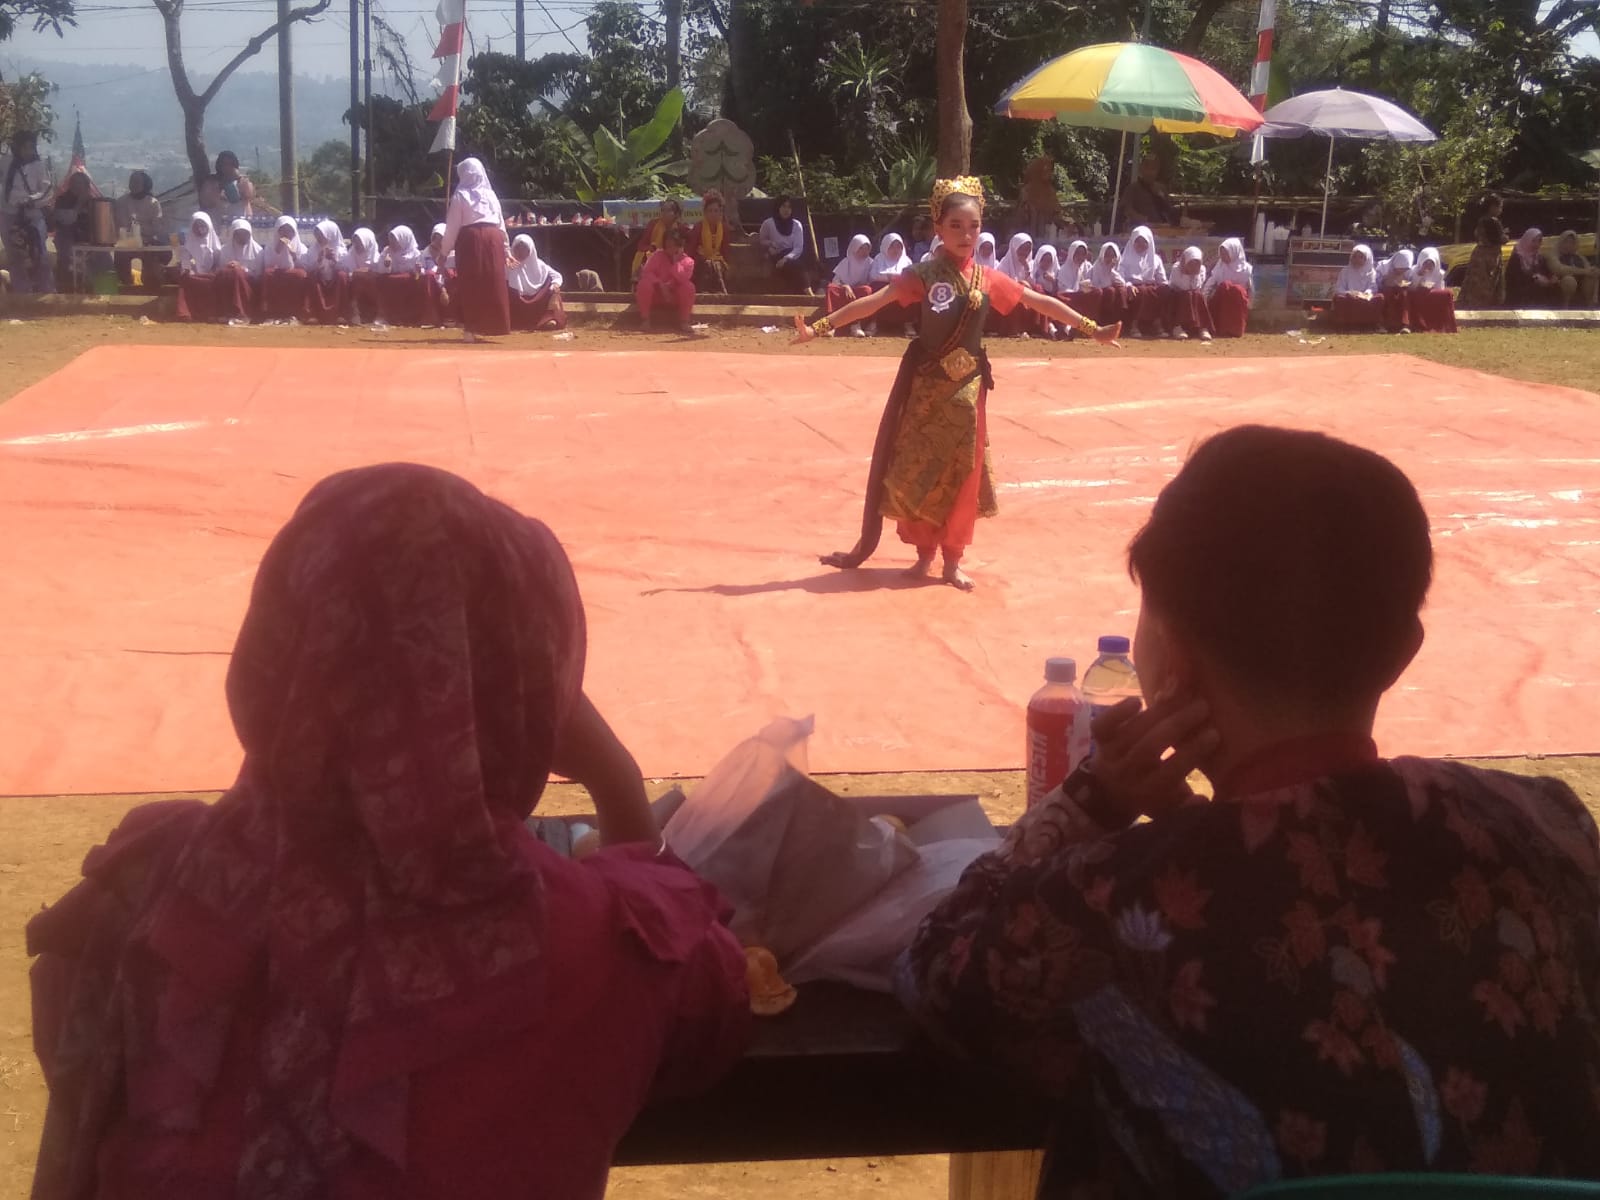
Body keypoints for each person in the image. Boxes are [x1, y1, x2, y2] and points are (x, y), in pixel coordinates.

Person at [900, 423, 1600, 1197]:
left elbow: (933, 969)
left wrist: (1089, 804)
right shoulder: (1552, 829)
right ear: (1405, 650)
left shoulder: (1112, 900)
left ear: (1172, 660)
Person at [27, 463, 752, 1200]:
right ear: (531, 682)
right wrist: (616, 779)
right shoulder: (596, 941)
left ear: (278, 645)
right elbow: (711, 1007)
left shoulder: (152, 883)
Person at [795, 177, 1122, 591]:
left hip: (967, 393)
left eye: (974, 226)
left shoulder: (989, 279)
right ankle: (924, 555)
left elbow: (1038, 301)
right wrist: (819, 327)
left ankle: (952, 559)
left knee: (962, 475)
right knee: (920, 470)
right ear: (938, 228)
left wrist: (1092, 329)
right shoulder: (924, 275)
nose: (966, 235)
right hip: (926, 391)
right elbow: (872, 303)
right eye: (956, 226)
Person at [438, 157, 513, 342]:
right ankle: (485, 326)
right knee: (490, 281)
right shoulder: (492, 196)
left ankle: (473, 328)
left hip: (471, 240)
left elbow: (452, 227)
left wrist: (443, 252)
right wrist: (505, 248)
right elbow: (501, 225)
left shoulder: (460, 196)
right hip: (493, 239)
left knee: (473, 282)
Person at [3, 130, 54, 293]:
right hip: (9, 215)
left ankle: (46, 291)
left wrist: (32, 200)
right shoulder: (5, 163)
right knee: (15, 255)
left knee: (39, 254)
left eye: (32, 146)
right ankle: (22, 292)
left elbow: (47, 190)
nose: (29, 150)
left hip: (32, 215)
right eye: (25, 147)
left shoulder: (39, 166)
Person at [114, 170, 169, 293]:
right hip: (127, 242)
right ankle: (126, 288)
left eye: (137, 182)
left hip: (147, 243)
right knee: (120, 259)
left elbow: (157, 227)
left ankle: (150, 289)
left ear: (145, 184)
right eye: (132, 182)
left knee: (151, 262)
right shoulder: (121, 202)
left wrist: (143, 235)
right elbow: (121, 224)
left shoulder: (153, 203)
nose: (134, 184)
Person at [635, 224, 697, 333]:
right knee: (644, 284)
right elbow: (646, 272)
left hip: (674, 298)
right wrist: (660, 284)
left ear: (680, 246)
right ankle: (645, 320)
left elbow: (683, 279)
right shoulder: (657, 255)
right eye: (668, 246)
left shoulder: (688, 261)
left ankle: (684, 321)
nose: (671, 249)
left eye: (674, 246)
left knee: (689, 287)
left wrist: (676, 262)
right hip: (657, 295)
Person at [374, 225, 433, 327]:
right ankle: (385, 316)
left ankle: (411, 317)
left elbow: (421, 272)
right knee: (382, 280)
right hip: (392, 285)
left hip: (408, 285)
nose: (392, 242)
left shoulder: (415, 253)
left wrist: (418, 270)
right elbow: (380, 270)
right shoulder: (387, 251)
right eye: (391, 239)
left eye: (395, 239)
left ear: (403, 240)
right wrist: (387, 265)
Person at [507, 233, 567, 331]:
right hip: (516, 303)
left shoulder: (539, 265)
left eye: (524, 249)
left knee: (553, 290)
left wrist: (555, 284)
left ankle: (547, 319)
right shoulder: (508, 265)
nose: (521, 252)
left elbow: (557, 276)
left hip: (537, 303)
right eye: (518, 248)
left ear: (531, 250)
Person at [50, 170, 96, 292]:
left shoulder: (93, 201)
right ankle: (67, 288)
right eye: (75, 183)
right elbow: (67, 220)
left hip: (89, 239)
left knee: (103, 258)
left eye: (81, 184)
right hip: (67, 239)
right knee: (68, 258)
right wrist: (79, 204)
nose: (77, 187)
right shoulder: (62, 200)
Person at [1458, 193, 1506, 308]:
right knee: (1485, 285)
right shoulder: (1493, 221)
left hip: (1478, 255)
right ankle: (1481, 307)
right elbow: (1499, 239)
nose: (1500, 210)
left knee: (1473, 284)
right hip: (1489, 258)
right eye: (1499, 207)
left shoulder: (1481, 220)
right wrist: (1506, 236)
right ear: (1492, 207)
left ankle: (1469, 305)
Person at [1122, 225, 1170, 338]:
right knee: (1143, 291)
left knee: (1164, 291)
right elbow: (1120, 276)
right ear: (1132, 242)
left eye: (1144, 242)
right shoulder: (1125, 258)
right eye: (1137, 241)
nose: (1141, 245)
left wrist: (1165, 287)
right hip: (1133, 287)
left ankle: (1158, 324)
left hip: (1151, 286)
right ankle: (1135, 325)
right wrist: (1128, 285)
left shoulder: (1156, 259)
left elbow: (1162, 279)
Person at [260, 214, 310, 323]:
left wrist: (294, 256)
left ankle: (295, 313)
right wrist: (277, 251)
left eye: (289, 231)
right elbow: (267, 265)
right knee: (268, 274)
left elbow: (305, 267)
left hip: (292, 275)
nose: (286, 234)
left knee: (300, 275)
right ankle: (271, 313)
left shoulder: (301, 248)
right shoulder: (270, 246)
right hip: (277, 274)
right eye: (283, 231)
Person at [175, 211, 223, 322]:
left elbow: (219, 263)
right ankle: (185, 313)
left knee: (217, 280)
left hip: (211, 276)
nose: (200, 228)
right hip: (194, 276)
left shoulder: (216, 244)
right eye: (197, 226)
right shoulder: (187, 245)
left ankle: (213, 313)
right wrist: (189, 270)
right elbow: (185, 264)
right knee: (185, 279)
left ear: (209, 226)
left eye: (203, 225)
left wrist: (213, 272)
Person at [301, 219, 351, 325]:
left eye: (321, 235)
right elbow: (308, 268)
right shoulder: (313, 250)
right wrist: (319, 261)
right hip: (320, 280)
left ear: (330, 234)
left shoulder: (341, 250)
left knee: (342, 276)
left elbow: (346, 269)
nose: (319, 238)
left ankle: (341, 314)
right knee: (312, 276)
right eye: (317, 235)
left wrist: (334, 260)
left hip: (335, 281)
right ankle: (314, 314)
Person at [1504, 228, 1568, 308]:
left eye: (1539, 241)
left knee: (1556, 287)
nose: (1536, 244)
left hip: (1539, 287)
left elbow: (1547, 272)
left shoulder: (1539, 257)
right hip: (1520, 291)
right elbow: (1514, 279)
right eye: (1534, 241)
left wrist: (1551, 279)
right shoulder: (1517, 258)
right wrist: (1535, 278)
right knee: (1535, 289)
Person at [215, 217, 263, 323]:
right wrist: (230, 267)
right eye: (239, 234)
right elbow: (221, 269)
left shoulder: (258, 250)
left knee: (237, 273)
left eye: (245, 234)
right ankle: (226, 311)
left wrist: (242, 269)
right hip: (229, 283)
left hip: (248, 285)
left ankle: (241, 312)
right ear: (233, 234)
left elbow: (258, 275)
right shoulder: (224, 249)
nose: (242, 237)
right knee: (226, 273)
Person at [1203, 237, 1253, 338]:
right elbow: (1210, 283)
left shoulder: (1246, 269)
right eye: (1221, 253)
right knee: (1225, 286)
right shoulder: (1220, 267)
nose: (1222, 256)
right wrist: (1203, 297)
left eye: (1225, 253)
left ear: (1234, 252)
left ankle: (1234, 329)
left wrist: (1250, 303)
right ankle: (1221, 327)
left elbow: (1251, 289)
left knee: (1237, 291)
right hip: (1222, 302)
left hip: (1237, 304)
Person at [827, 233, 877, 333]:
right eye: (861, 248)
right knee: (831, 288)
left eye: (867, 248)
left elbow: (872, 280)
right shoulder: (846, 261)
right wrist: (845, 286)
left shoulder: (871, 263)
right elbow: (835, 281)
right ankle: (831, 324)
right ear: (854, 248)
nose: (864, 251)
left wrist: (860, 286)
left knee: (867, 290)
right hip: (845, 291)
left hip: (859, 293)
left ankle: (856, 324)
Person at [868, 231, 916, 335]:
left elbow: (912, 276)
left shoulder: (906, 260)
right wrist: (888, 277)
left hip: (901, 288)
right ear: (886, 247)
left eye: (898, 247)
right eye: (892, 247)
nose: (896, 250)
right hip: (882, 288)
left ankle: (908, 324)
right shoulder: (878, 259)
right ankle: (873, 323)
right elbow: (872, 276)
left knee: (911, 290)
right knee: (875, 287)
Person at [759, 195, 810, 293]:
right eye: (783, 206)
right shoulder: (768, 223)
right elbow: (762, 240)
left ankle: (806, 292)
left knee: (796, 264)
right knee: (795, 266)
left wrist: (786, 259)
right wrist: (770, 243)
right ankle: (808, 292)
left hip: (793, 255)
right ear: (778, 207)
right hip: (777, 254)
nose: (786, 210)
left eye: (789, 207)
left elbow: (798, 248)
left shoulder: (796, 225)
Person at [1331, 244, 1385, 332]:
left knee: (1380, 298)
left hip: (1365, 298)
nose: (1357, 260)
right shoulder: (1345, 271)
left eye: (1361, 257)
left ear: (1367, 259)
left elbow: (1373, 287)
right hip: (1349, 297)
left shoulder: (1371, 272)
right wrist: (1349, 293)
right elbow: (1338, 288)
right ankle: (1348, 325)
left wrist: (1367, 293)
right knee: (1339, 298)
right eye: (1354, 257)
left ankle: (1370, 325)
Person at [630, 197, 684, 281]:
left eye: (668, 211)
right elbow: (641, 245)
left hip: (673, 258)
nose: (664, 213)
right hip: (653, 258)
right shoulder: (653, 224)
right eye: (662, 210)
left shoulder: (681, 228)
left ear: (676, 214)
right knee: (642, 256)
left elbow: (684, 248)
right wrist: (651, 248)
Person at [1406, 247, 1457, 333]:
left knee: (1447, 293)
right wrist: (1419, 275)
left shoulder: (1440, 273)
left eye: (1431, 263)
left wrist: (1431, 288)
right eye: (1426, 262)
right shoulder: (1414, 270)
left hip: (1431, 295)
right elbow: (1411, 288)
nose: (1428, 265)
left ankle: (1443, 325)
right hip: (1418, 295)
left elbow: (1440, 288)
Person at [1166, 246, 1212, 341]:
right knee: (1186, 295)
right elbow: (1183, 287)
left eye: (1197, 263)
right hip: (1176, 295)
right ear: (1185, 261)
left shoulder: (1202, 269)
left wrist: (1194, 274)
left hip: (1192, 294)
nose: (1194, 266)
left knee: (1198, 295)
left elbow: (1196, 286)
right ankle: (1177, 327)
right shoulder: (1176, 268)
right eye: (1191, 263)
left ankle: (1202, 328)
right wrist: (1186, 273)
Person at [993, 233, 1035, 336]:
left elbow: (1033, 284)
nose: (1025, 253)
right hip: (1008, 295)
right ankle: (1014, 330)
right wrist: (1019, 284)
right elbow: (1002, 284)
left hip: (1026, 295)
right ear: (1014, 248)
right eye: (1022, 249)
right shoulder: (1004, 263)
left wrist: (1026, 268)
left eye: (1028, 249)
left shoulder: (1030, 264)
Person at [690, 189, 731, 295]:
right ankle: (704, 292)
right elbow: (690, 251)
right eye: (710, 211)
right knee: (708, 264)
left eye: (716, 211)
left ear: (721, 212)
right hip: (699, 262)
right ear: (705, 212)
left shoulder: (725, 228)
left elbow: (726, 251)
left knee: (715, 265)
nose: (713, 214)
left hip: (718, 262)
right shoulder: (698, 227)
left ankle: (719, 293)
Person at [1124, 154, 1178, 229]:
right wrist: (1144, 220)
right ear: (1141, 168)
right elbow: (1127, 210)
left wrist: (1160, 198)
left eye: (1153, 168)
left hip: (1160, 230)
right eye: (1147, 167)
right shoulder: (1132, 189)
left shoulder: (1162, 188)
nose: (1150, 172)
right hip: (1139, 230)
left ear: (1157, 170)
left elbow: (1169, 211)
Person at [1087, 241, 1132, 330]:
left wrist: (1111, 270)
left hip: (1113, 297)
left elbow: (1121, 282)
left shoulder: (1117, 267)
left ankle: (1121, 321)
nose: (1110, 258)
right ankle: (1106, 322)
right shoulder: (1097, 267)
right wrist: (1109, 272)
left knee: (1121, 289)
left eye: (1113, 256)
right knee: (1110, 291)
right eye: (1107, 255)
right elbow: (1099, 285)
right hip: (1100, 297)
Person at [422, 221, 459, 325]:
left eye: (441, 238)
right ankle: (433, 317)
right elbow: (424, 268)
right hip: (434, 282)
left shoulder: (453, 252)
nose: (437, 242)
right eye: (436, 238)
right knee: (429, 276)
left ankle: (451, 316)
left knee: (451, 275)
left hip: (448, 282)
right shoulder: (427, 252)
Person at [1550, 230, 1599, 308]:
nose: (1568, 245)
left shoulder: (1579, 257)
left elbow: (1589, 270)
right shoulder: (1554, 255)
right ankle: (1565, 306)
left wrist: (1594, 271)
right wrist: (1583, 271)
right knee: (1569, 280)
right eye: (1566, 242)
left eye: (1572, 242)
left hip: (1580, 284)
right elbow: (1559, 269)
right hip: (1558, 284)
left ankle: (1590, 306)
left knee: (1591, 279)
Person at [1375, 247, 1415, 334]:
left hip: (1400, 290)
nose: (1402, 271)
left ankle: (1405, 324)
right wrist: (1386, 280)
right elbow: (1376, 283)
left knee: (1405, 295)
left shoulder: (1409, 271)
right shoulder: (1383, 266)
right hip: (1384, 290)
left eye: (1404, 269)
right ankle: (1382, 324)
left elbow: (1410, 281)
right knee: (1385, 295)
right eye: (1400, 268)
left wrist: (1405, 283)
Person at [1031, 243, 1064, 338]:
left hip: (1051, 297)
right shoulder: (1034, 271)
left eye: (1049, 261)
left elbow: (1056, 291)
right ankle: (1052, 331)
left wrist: (1053, 281)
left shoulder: (1056, 272)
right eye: (1043, 260)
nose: (1046, 263)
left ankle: (1066, 329)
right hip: (1039, 299)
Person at [214, 149, 254, 221]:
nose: (227, 167)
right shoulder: (214, 183)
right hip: (223, 221)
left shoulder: (242, 181)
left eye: (230, 164)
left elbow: (248, 196)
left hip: (242, 219)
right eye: (224, 164)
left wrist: (238, 178)